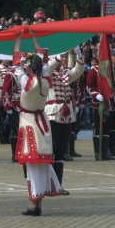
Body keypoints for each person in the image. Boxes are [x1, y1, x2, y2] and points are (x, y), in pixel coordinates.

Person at [15, 39, 62, 217]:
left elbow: (16, 60)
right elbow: (42, 59)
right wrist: (34, 37)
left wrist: (18, 38)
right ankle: (38, 204)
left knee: (32, 165)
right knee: (42, 164)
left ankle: (32, 204)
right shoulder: (46, 82)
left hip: (29, 124)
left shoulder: (27, 83)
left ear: (29, 68)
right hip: (44, 123)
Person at [45, 46, 85, 195]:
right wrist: (57, 55)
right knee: (52, 150)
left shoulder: (65, 73)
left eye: (62, 58)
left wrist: (78, 54)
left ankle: (58, 185)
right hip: (54, 114)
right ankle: (49, 185)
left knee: (61, 152)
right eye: (59, 58)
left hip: (66, 115)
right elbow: (48, 68)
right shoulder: (46, 73)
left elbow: (78, 71)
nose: (62, 61)